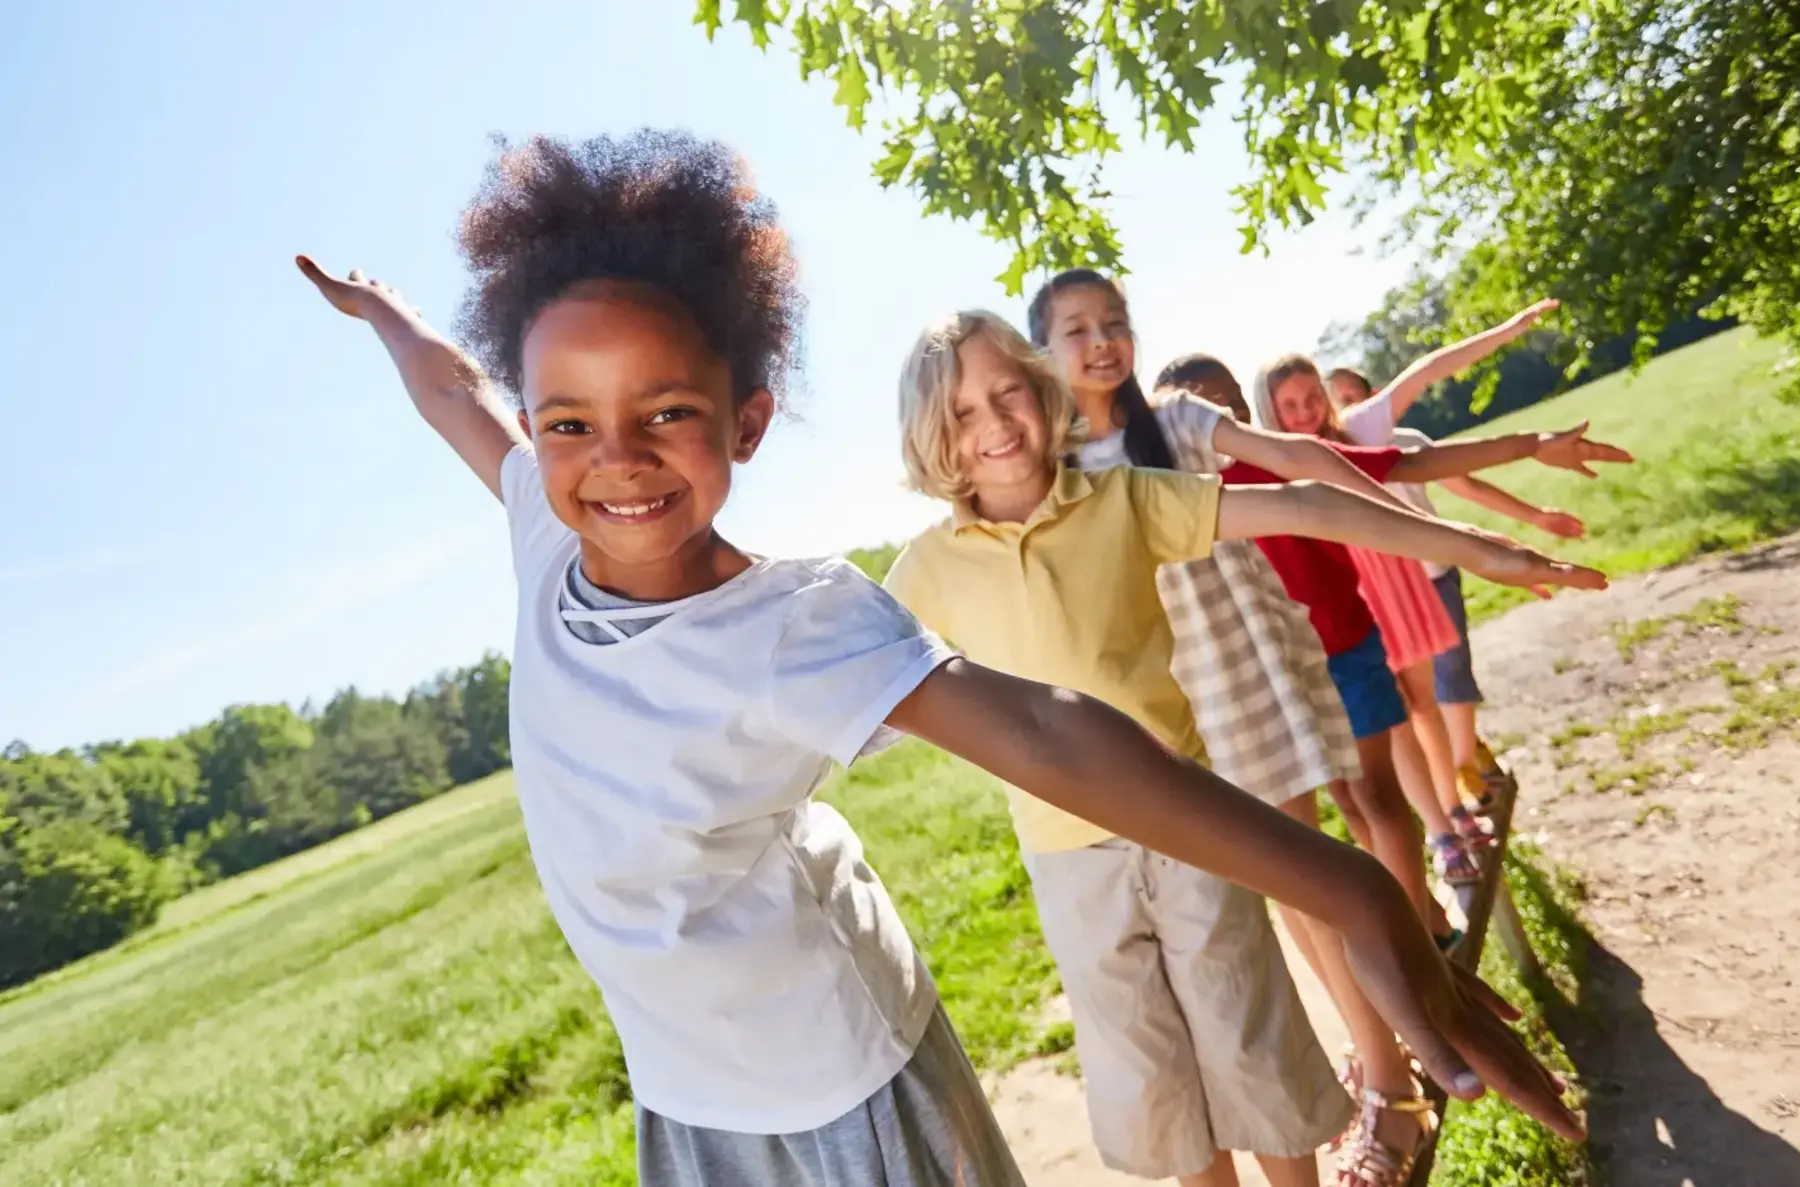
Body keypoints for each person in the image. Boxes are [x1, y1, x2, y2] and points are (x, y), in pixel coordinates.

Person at [296, 129, 1581, 1187]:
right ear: (535, 426)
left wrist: (1356, 894)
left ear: (745, 419)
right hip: (687, 1093)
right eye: (568, 419)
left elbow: (1048, 732)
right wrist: (385, 317)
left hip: (842, 1075)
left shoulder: (793, 619)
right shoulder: (536, 522)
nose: (615, 454)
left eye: (667, 412)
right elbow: (452, 391)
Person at [884, 308, 1596, 1187]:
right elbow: (849, 699)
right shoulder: (921, 572)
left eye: (1007, 393)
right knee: (1158, 1082)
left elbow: (1302, 501)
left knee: (1248, 1041)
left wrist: (1473, 547)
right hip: (1068, 862)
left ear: (1043, 392)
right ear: (932, 436)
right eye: (961, 412)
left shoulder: (1123, 499)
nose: (992, 423)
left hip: (1193, 829)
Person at [1151, 352, 1620, 1183]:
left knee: (1369, 807)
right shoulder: (1167, 486)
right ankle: (1379, 1029)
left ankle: (1416, 945)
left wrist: (1526, 446)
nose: (1229, 428)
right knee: (1318, 850)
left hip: (1334, 653)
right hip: (1260, 687)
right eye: (1214, 413)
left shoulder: (1259, 463)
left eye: (1231, 409)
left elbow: (1391, 461)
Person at [1321, 298, 1563, 802]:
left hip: (1434, 572)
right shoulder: (1325, 454)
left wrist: (1533, 518)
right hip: (1386, 593)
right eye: (1335, 400)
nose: (1345, 407)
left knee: (1452, 677)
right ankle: (1456, 769)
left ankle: (1464, 768)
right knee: (1418, 700)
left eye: (1352, 396)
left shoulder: (1399, 436)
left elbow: (1467, 485)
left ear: (1370, 398)